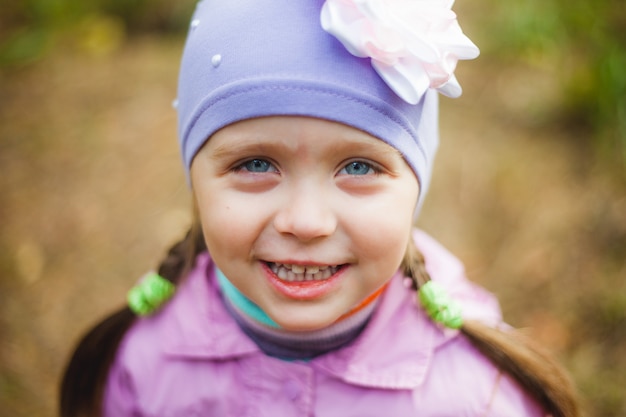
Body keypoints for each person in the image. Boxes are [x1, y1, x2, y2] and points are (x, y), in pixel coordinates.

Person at [60, 1, 581, 416]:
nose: (306, 223)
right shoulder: (141, 368)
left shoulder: (479, 398)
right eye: (257, 163)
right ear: (194, 179)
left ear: (415, 187)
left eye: (358, 168)